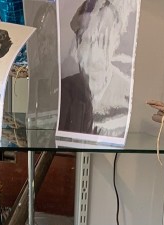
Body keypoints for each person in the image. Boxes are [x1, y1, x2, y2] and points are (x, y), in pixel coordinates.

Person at [58, 0, 137, 138]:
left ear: (116, 41)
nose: (92, 55)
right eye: (85, 39)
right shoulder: (63, 91)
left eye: (101, 40)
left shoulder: (125, 98)